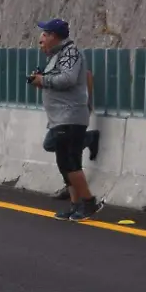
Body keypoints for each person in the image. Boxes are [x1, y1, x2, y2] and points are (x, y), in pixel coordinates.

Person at [29, 18, 102, 221]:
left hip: (70, 116)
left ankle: (89, 203)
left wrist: (43, 80)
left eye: (44, 34)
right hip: (60, 118)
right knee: (65, 162)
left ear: (54, 36)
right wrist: (40, 79)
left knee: (70, 162)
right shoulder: (57, 55)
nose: (41, 38)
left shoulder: (70, 52)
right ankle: (75, 204)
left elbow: (68, 79)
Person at [51, 69, 102, 200]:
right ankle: (73, 193)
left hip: (74, 116)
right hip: (61, 115)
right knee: (57, 148)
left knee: (71, 155)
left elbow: (88, 75)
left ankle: (79, 199)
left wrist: (88, 102)